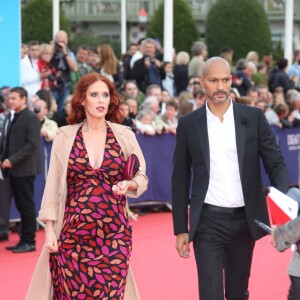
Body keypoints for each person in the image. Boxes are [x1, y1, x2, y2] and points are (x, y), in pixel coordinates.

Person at [172, 57, 288, 300]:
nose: (220, 86)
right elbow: (180, 177)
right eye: (213, 81)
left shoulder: (254, 117)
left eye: (225, 80)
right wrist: (181, 228)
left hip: (245, 220)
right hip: (207, 222)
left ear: (232, 80)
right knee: (210, 293)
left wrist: (283, 211)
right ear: (202, 82)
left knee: (237, 293)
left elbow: (275, 163)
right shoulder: (189, 124)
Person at [26, 73, 148, 300]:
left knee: (110, 293)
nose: (101, 100)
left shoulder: (124, 135)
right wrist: (50, 229)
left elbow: (142, 177)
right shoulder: (65, 136)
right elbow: (52, 185)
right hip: (73, 236)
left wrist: (129, 184)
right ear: (82, 99)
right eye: (94, 95)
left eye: (105, 95)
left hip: (114, 234)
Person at [0, 87, 41, 252]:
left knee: (26, 206)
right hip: (14, 169)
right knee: (21, 205)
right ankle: (23, 240)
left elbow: (32, 144)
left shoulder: (31, 118)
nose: (10, 101)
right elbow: (8, 142)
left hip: (25, 169)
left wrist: (12, 159)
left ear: (24, 99)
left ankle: (29, 241)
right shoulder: (12, 117)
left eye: (14, 98)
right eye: (9, 98)